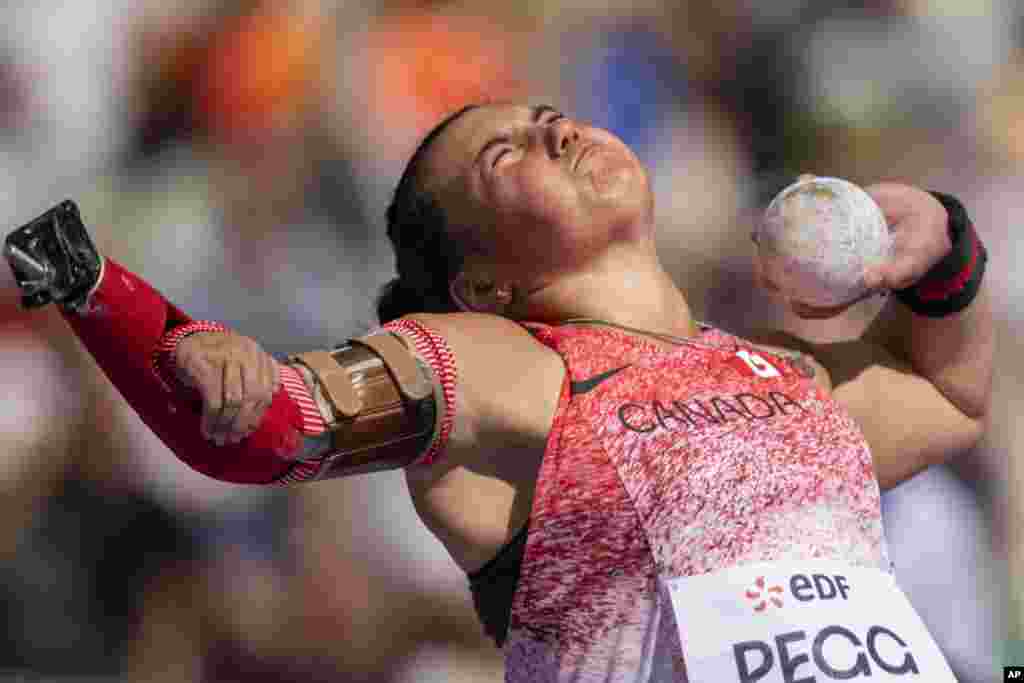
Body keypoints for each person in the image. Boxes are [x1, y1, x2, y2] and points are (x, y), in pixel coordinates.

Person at [4, 103, 993, 681]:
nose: (552, 127)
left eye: (545, 116)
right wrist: (104, 293)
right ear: (483, 283)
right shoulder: (489, 362)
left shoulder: (784, 373)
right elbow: (266, 429)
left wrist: (945, 250)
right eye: (504, 153)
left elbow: (947, 395)